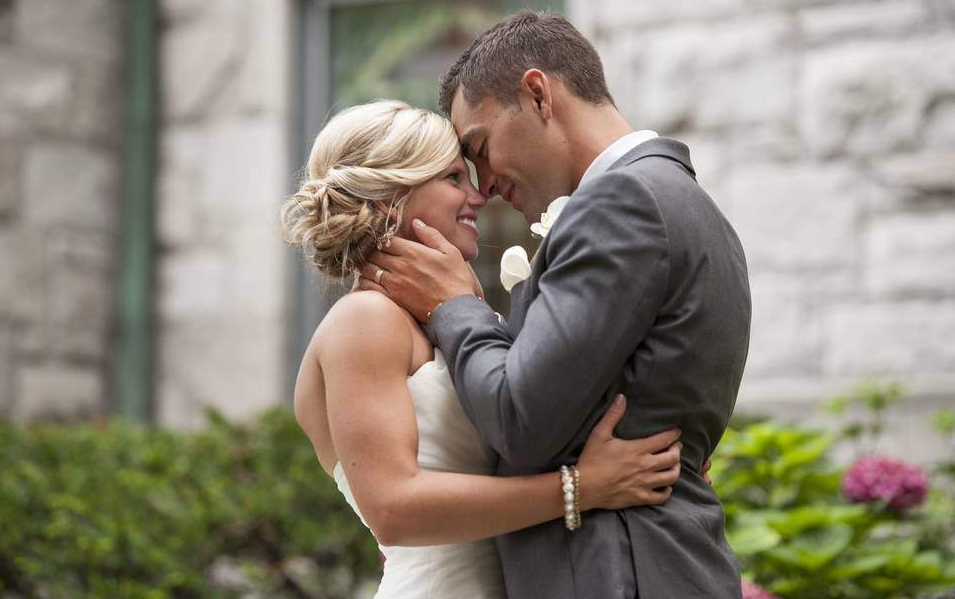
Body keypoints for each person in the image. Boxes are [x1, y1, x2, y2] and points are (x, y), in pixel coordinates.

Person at [360, 11, 752, 598]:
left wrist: (456, 304)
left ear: (538, 94)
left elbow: (521, 419)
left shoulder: (624, 202)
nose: (483, 185)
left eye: (480, 148)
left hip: (618, 573)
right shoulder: (688, 202)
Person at [281, 100, 688, 599]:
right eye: (454, 178)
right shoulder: (365, 320)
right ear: (392, 197)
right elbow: (393, 508)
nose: (479, 197)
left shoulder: (442, 317)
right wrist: (581, 487)